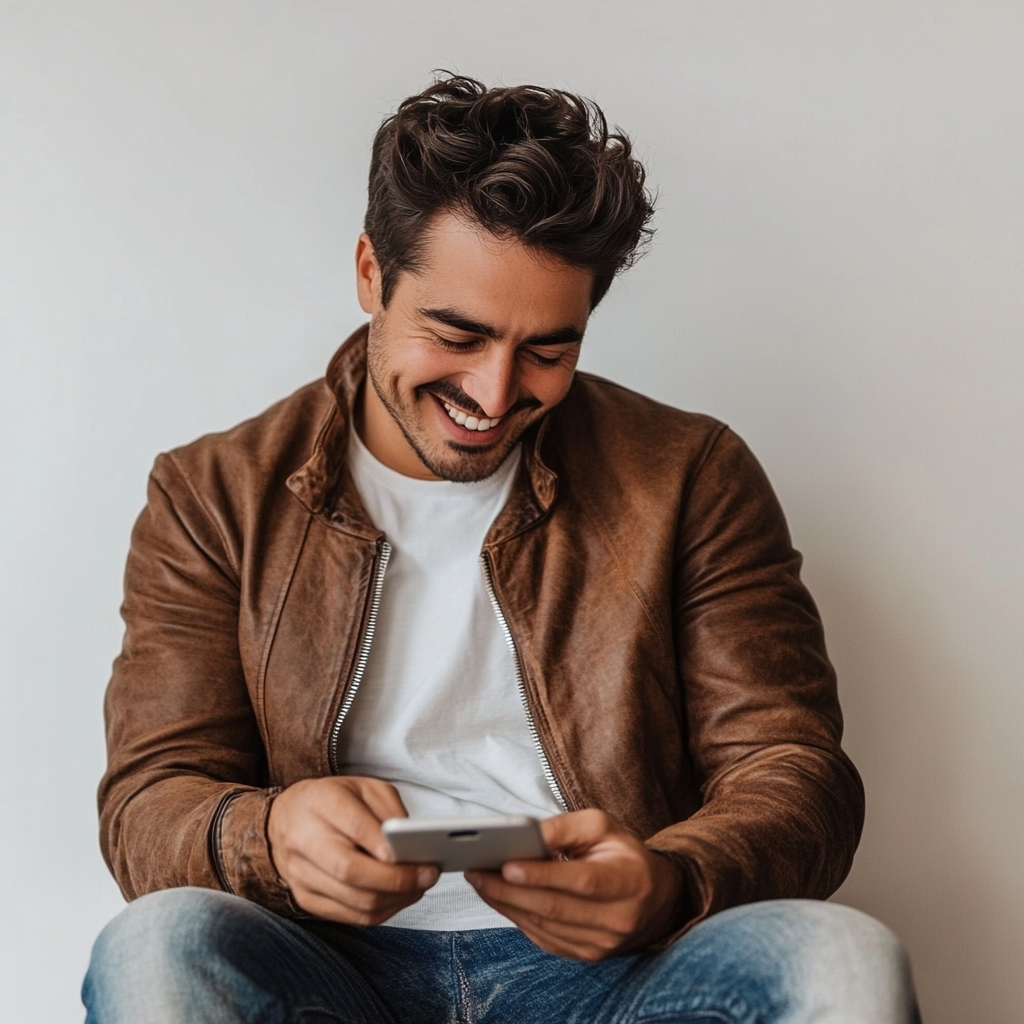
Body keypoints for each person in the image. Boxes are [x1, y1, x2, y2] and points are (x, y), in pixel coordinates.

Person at [84, 75, 920, 1023]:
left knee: (845, 957)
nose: (494, 392)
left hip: (617, 967)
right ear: (371, 273)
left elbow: (791, 765)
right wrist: (266, 835)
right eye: (458, 333)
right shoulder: (212, 494)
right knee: (156, 944)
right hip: (324, 963)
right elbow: (149, 799)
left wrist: (673, 880)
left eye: (548, 351)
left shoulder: (691, 475)